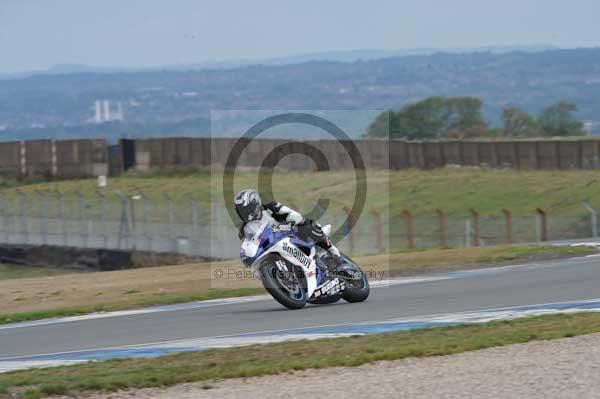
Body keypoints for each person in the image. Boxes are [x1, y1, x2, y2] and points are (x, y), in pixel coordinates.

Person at [234, 188, 343, 266]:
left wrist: (287, 224)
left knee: (306, 224)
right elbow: (249, 246)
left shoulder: (270, 207)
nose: (244, 213)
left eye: (246, 210)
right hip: (271, 248)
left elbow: (293, 215)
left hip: (289, 232)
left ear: (255, 204)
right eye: (241, 211)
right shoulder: (244, 230)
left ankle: (333, 250)